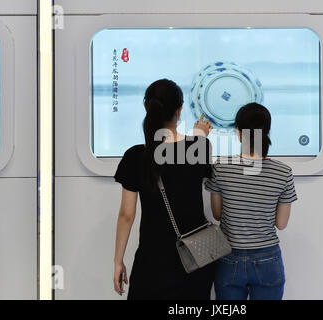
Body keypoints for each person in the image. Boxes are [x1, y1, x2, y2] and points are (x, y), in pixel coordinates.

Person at [113, 79, 215, 300]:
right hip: (194, 260)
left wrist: (118, 261)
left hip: (152, 262)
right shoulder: (198, 148)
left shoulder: (135, 156)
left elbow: (126, 215)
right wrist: (200, 134)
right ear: (179, 110)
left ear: (146, 108)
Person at [205, 103, 297, 300]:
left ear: (238, 132)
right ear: (267, 131)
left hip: (229, 258)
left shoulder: (221, 167)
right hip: (268, 259)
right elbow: (281, 224)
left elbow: (217, 214)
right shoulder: (283, 172)